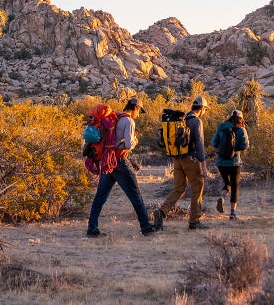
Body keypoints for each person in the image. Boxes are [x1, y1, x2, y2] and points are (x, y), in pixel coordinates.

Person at [86, 97, 162, 237]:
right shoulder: (128, 121)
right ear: (136, 108)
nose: (138, 115)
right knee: (136, 195)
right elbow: (127, 144)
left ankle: (92, 228)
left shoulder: (115, 117)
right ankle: (146, 227)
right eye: (139, 112)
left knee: (100, 197)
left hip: (108, 161)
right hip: (120, 162)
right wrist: (135, 141)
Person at [156, 96, 211, 230]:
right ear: (202, 108)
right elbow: (199, 144)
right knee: (197, 187)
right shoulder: (196, 121)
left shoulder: (182, 119)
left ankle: (161, 211)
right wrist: (203, 165)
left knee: (179, 189)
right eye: (205, 109)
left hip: (177, 159)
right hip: (191, 160)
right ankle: (194, 221)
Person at [212, 109, 249, 220]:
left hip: (221, 162)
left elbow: (214, 143)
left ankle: (222, 197)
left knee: (227, 183)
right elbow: (245, 146)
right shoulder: (241, 130)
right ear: (241, 118)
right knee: (235, 187)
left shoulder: (221, 127)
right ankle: (232, 214)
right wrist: (235, 148)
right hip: (234, 162)